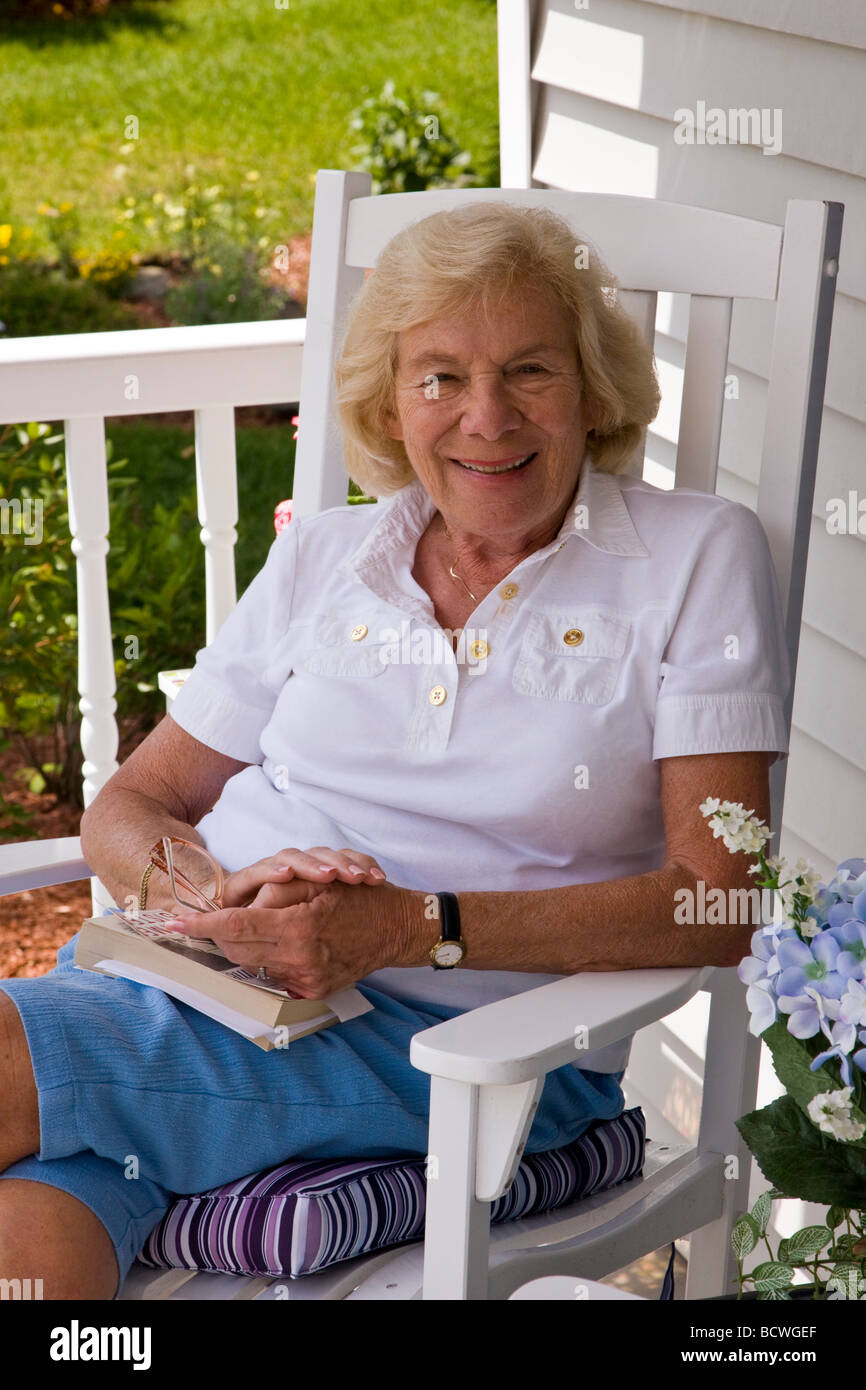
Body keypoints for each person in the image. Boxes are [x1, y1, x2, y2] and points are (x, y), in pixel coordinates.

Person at [0, 202, 791, 1298]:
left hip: (459, 1057)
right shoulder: (327, 555)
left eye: (528, 370)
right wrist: (223, 898)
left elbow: (721, 899)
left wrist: (411, 928)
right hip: (201, 992)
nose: (485, 418)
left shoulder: (690, 557)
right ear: (388, 400)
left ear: (592, 387)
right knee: (27, 1247)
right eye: (438, 379)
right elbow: (133, 801)